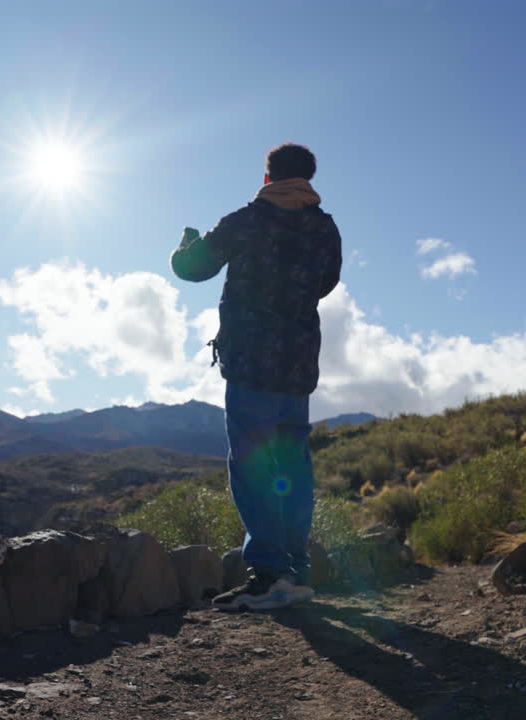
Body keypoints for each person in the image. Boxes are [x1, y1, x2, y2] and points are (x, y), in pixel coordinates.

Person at [170, 143, 342, 610]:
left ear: (268, 177)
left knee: (251, 467)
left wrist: (185, 242)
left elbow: (193, 268)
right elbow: (326, 283)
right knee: (292, 469)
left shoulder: (247, 220)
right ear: (308, 179)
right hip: (299, 367)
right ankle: (297, 572)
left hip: (250, 364)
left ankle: (268, 575)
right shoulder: (325, 227)